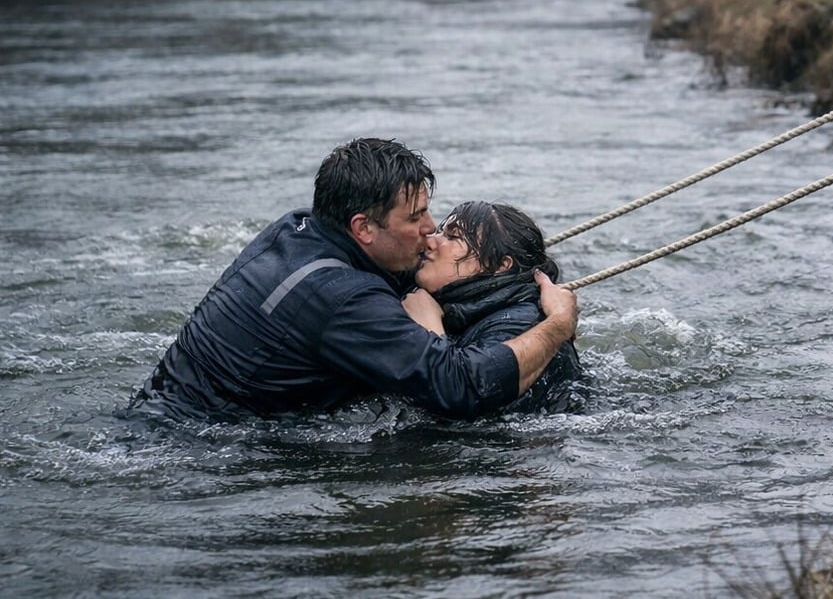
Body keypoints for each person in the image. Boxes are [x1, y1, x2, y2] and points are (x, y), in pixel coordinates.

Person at [133, 137, 579, 420]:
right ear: (363, 227)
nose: (430, 229)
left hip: (161, 408)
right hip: (192, 448)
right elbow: (462, 387)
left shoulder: (296, 227)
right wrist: (556, 326)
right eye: (416, 217)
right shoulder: (343, 298)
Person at [404, 200, 583, 413]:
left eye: (452, 237)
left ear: (499, 265)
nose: (430, 242)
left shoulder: (522, 324)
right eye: (442, 232)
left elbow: (458, 399)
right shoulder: (469, 308)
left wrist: (429, 329)